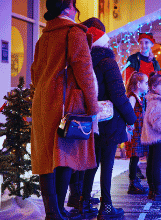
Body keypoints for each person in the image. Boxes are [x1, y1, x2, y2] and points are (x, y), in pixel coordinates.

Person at [30, 1, 99, 219]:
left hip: (42, 102)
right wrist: (93, 107)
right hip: (65, 103)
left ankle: (54, 212)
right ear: (69, 7)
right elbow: (85, 73)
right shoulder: (74, 32)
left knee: (47, 156)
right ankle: (56, 211)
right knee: (65, 154)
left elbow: (35, 73)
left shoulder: (44, 37)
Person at [73, 18, 133, 219]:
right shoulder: (108, 62)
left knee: (92, 162)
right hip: (109, 121)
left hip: (90, 119)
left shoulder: (83, 59)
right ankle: (106, 208)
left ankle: (83, 202)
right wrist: (131, 118)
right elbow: (118, 94)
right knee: (107, 164)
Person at [123, 73, 150, 195]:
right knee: (134, 157)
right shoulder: (133, 97)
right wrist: (129, 127)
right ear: (138, 84)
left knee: (136, 157)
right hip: (134, 132)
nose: (147, 85)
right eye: (146, 83)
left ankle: (135, 181)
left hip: (139, 132)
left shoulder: (140, 97)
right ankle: (133, 183)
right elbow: (129, 112)